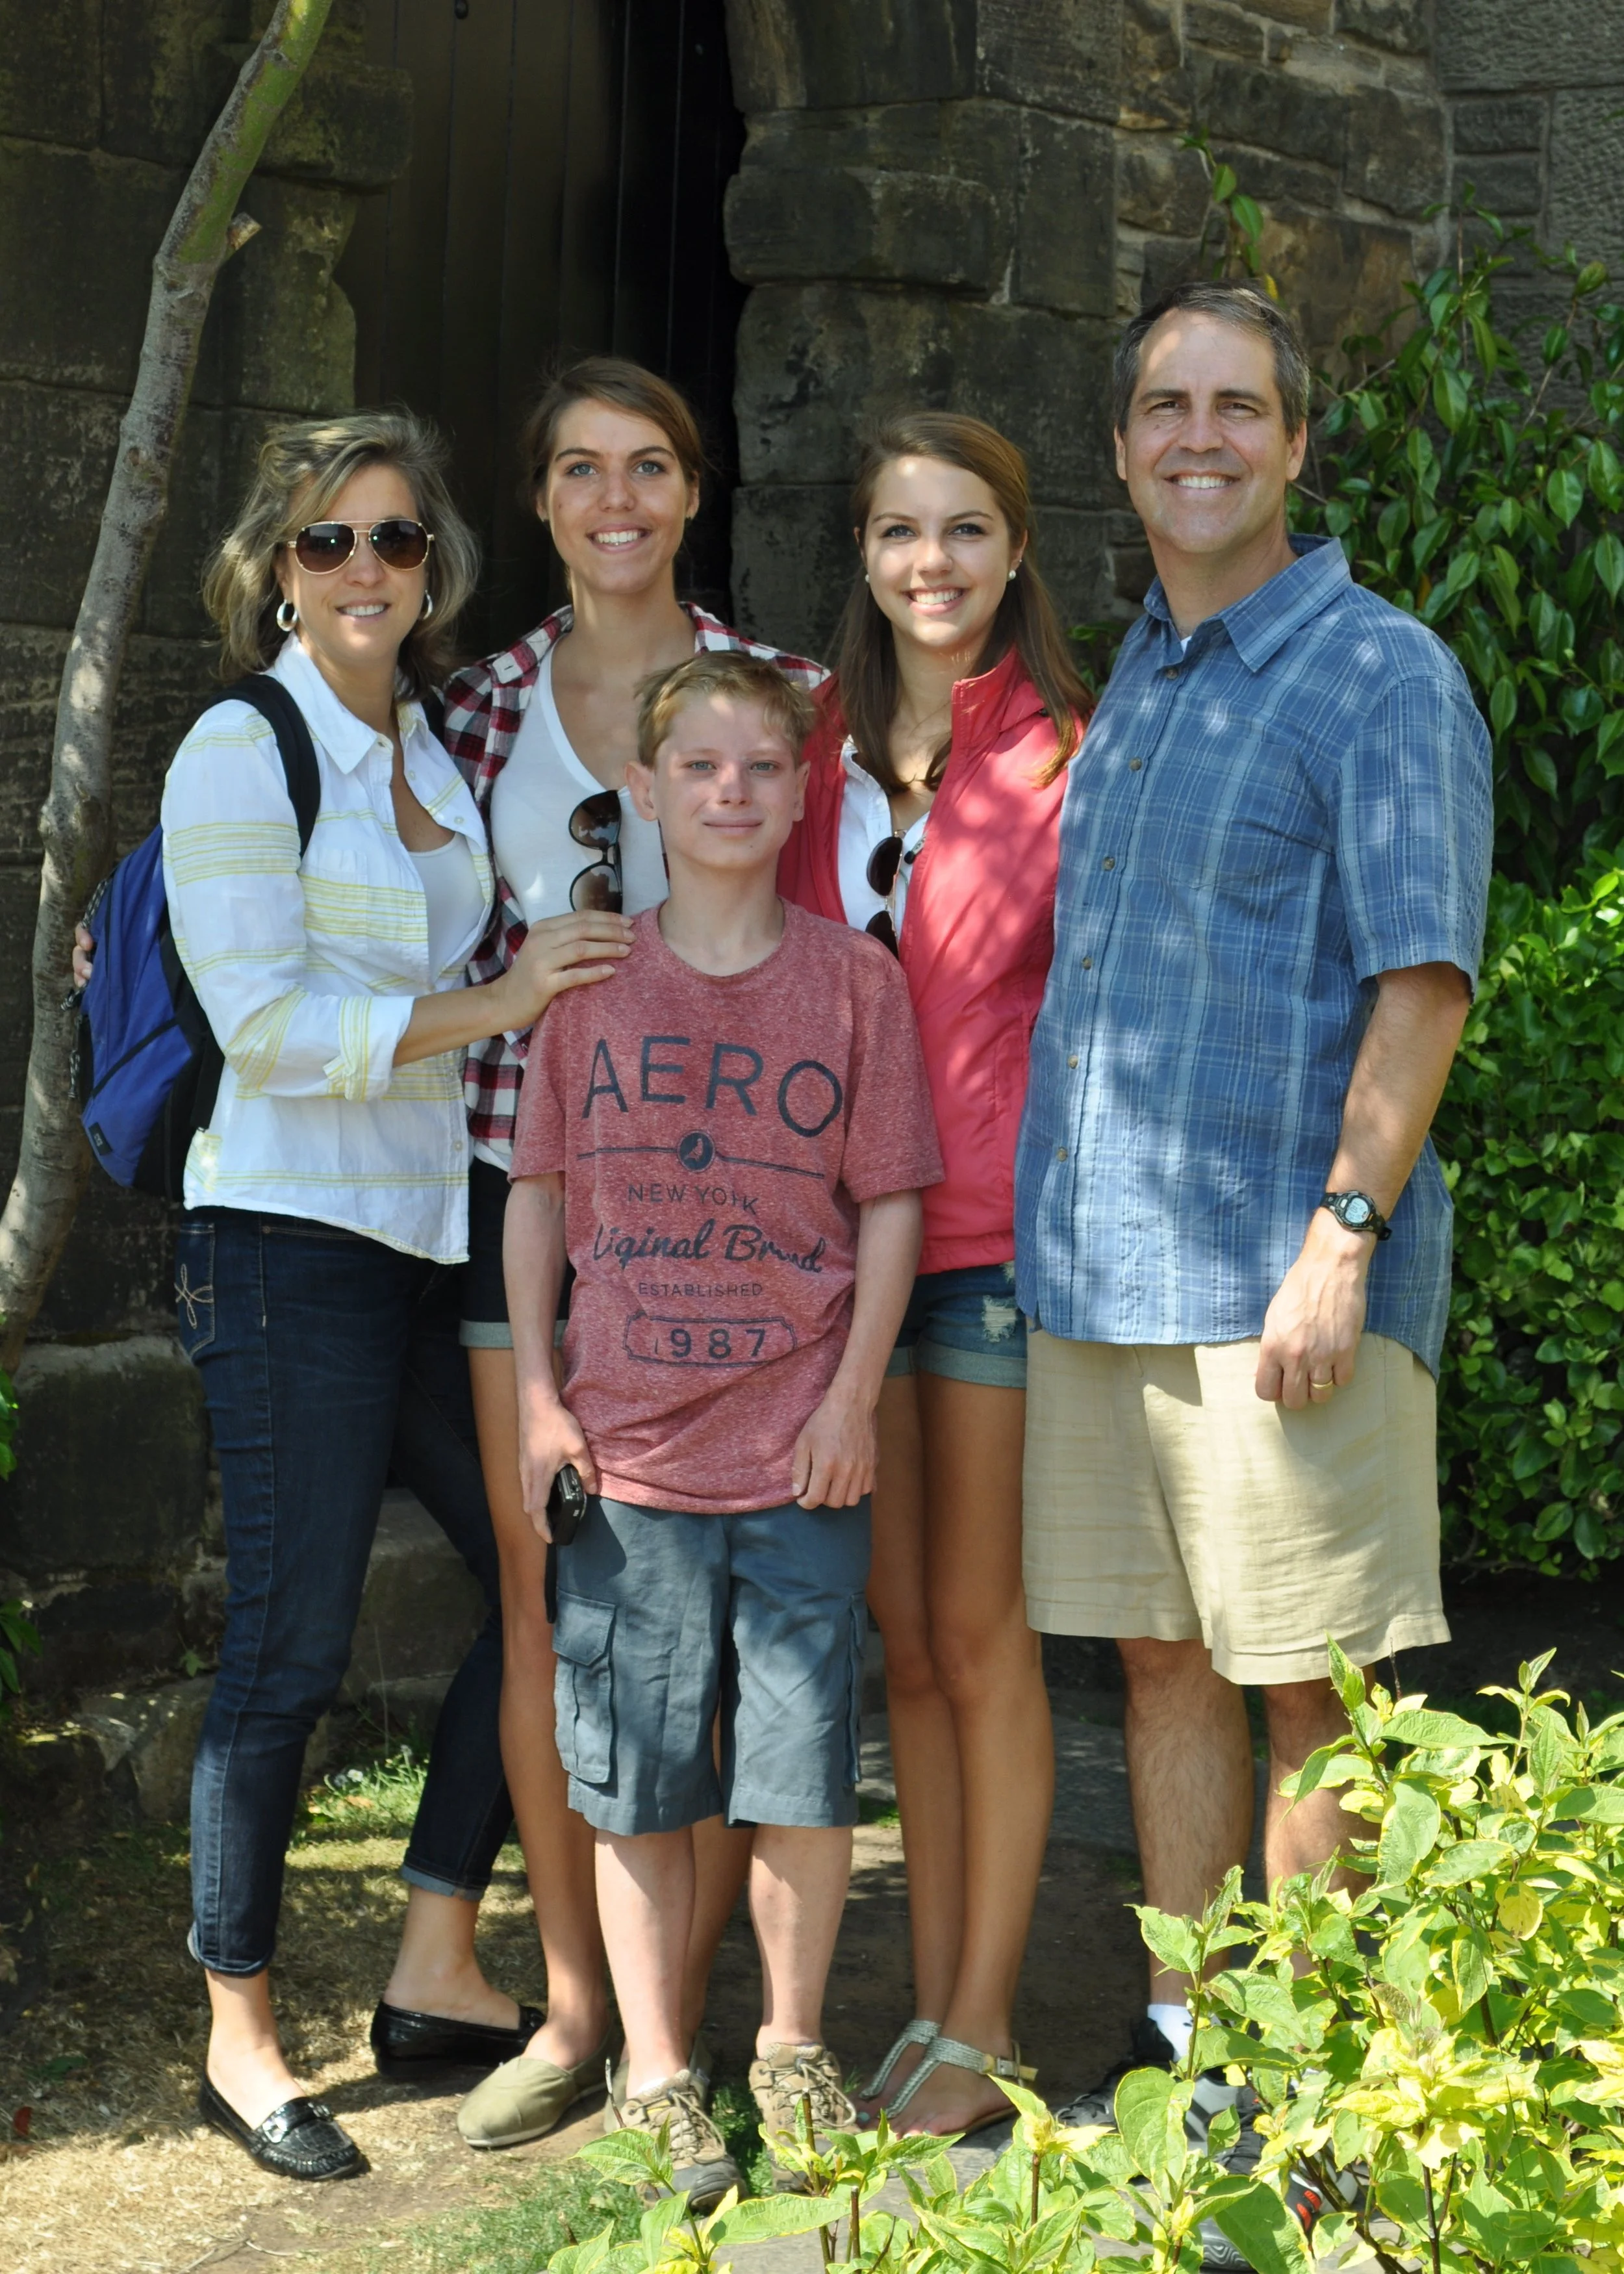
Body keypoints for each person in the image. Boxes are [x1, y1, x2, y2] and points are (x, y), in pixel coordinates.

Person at [1013, 281, 1491, 2134]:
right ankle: (1189, 2029)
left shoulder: (1375, 671)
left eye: (1235, 407)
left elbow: (1424, 980)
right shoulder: (1140, 671)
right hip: (1102, 1277)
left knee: (1309, 1684)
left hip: (1280, 1282)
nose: (1196, 437)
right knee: (1156, 1659)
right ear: (1124, 445)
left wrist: (1339, 1240)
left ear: (1295, 442)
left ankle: (1308, 2079)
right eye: (1163, 406)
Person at [154, 411, 632, 2181]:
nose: (364, 570)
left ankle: (438, 1950)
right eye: (327, 542)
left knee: (560, 1565)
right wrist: (495, 1011)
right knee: (287, 1645)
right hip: (286, 1244)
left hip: (432, 1239)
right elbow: (264, 1023)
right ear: (275, 566)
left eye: (395, 542)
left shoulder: (432, 734)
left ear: (435, 565)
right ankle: (242, 2033)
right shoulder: (239, 745)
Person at [439, 359, 824, 2151]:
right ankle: (584, 2009)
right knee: (554, 1606)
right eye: (579, 468)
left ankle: (736, 2017)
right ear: (537, 499)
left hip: (733, 1227)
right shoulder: (470, 709)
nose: (614, 497)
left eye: (649, 465)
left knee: (738, 1629)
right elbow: (365, 898)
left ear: (691, 489)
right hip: (527, 1184)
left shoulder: (769, 696)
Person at [504, 650, 943, 2206]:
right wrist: (542, 1399)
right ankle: (656, 2071)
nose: (731, 793)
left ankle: (792, 2050)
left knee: (799, 1771)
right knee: (636, 1779)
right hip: (626, 1458)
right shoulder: (588, 981)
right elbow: (539, 1195)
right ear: (647, 787)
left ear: (798, 786)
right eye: (699, 767)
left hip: (796, 1451)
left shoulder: (851, 982)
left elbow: (889, 1206)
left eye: (762, 768)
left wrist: (849, 1398)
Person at [778, 413, 1089, 2136]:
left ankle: (983, 2028)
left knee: (983, 1635)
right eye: (902, 529)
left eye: (966, 530)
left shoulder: (1063, 756)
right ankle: (932, 2006)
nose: (933, 563)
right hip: (829, 1260)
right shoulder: (811, 741)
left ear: (1014, 548)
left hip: (985, 1249)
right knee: (899, 1638)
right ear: (866, 547)